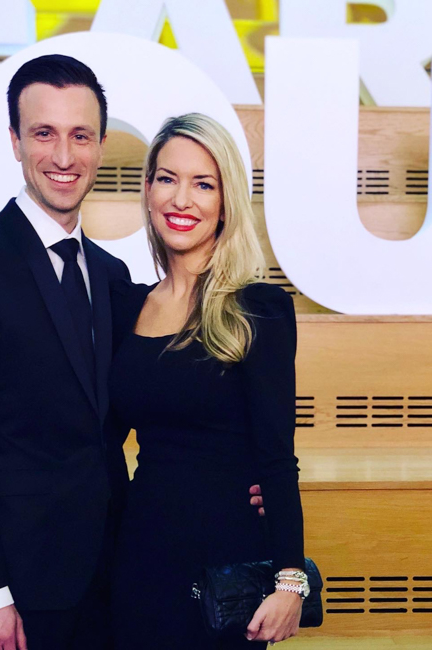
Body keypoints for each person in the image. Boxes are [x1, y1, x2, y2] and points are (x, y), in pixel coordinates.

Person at [0, 55, 265, 650]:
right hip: (20, 593)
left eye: (80, 136)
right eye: (43, 134)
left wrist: (246, 475)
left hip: (121, 574)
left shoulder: (110, 276)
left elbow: (169, 392)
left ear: (102, 145)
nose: (63, 156)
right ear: (15, 142)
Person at [109, 113, 306, 649]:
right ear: (148, 190)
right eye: (168, 178)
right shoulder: (126, 304)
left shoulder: (257, 308)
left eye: (203, 183)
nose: (182, 199)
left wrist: (291, 578)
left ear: (225, 201)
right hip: (138, 554)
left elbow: (275, 453)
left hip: (224, 566)